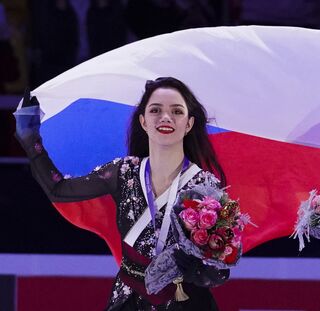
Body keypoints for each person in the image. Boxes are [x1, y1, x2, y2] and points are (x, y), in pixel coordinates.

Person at [14, 77, 230, 310]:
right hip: (130, 299)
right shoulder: (124, 172)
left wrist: (200, 269)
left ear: (188, 124)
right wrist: (30, 140)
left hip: (185, 301)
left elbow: (219, 269)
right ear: (143, 121)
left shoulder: (206, 187)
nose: (165, 117)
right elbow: (59, 189)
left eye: (177, 111)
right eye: (155, 110)